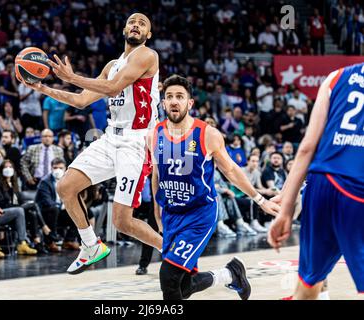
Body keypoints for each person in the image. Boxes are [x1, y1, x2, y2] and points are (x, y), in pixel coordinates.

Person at [21, 13, 161, 274]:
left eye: (142, 23)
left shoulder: (146, 55)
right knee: (65, 186)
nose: (136, 25)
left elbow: (112, 89)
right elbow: (81, 101)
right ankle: (91, 245)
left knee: (122, 221)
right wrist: (44, 89)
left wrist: (71, 77)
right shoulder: (111, 65)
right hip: (111, 137)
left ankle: (173, 254)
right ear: (124, 28)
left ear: (148, 35)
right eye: (132, 22)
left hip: (136, 141)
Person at [149, 75, 279, 300]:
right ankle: (231, 274)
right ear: (162, 103)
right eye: (169, 97)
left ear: (190, 103)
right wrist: (156, 208)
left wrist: (260, 200)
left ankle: (231, 274)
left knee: (168, 277)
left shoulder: (207, 134)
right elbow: (157, 173)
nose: (173, 101)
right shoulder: (155, 133)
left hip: (198, 216)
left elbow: (231, 171)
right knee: (184, 286)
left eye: (179, 96)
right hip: (171, 214)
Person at [268, 63, 364, 299]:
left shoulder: (336, 77)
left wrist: (286, 210)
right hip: (357, 191)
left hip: (320, 185)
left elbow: (307, 147)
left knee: (309, 284)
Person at [0, 160, 38, 255]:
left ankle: (36, 240)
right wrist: (18, 205)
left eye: (10, 167)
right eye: (6, 167)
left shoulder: (15, 184)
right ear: (1, 170)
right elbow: (2, 203)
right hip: (5, 211)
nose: (8, 169)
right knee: (26, 207)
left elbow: (19, 200)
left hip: (18, 209)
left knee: (32, 213)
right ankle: (25, 241)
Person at [35, 158, 79, 252]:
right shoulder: (45, 182)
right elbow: (47, 202)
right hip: (46, 212)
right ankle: (50, 242)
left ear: (65, 169)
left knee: (78, 210)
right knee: (54, 209)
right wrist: (61, 206)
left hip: (59, 211)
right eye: (55, 168)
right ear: (51, 168)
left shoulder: (68, 181)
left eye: (60, 168)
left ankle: (69, 240)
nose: (57, 170)